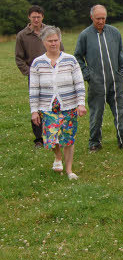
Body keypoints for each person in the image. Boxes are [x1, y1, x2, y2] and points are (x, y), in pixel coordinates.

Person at [74, 4, 123, 152]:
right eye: (98, 18)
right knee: (96, 114)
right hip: (97, 83)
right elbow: (77, 56)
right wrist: (88, 75)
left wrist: (122, 73)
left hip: (116, 81)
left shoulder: (115, 32)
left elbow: (121, 53)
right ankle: (94, 143)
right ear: (91, 17)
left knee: (121, 113)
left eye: (103, 18)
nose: (101, 21)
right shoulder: (85, 35)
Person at [29, 27, 87, 180]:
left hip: (69, 105)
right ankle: (57, 156)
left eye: (56, 40)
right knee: (51, 138)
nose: (53, 43)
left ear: (60, 41)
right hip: (47, 107)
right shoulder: (37, 63)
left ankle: (69, 170)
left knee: (68, 138)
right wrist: (34, 110)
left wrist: (81, 103)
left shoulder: (70, 60)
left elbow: (79, 84)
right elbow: (34, 88)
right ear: (44, 42)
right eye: (50, 41)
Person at [15, 5, 64, 148]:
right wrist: (29, 72)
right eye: (33, 17)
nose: (36, 19)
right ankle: (39, 138)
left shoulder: (50, 32)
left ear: (43, 17)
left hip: (53, 74)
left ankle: (56, 131)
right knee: (36, 104)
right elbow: (19, 58)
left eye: (39, 16)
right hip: (35, 75)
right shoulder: (22, 35)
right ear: (29, 17)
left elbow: (60, 49)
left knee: (54, 101)